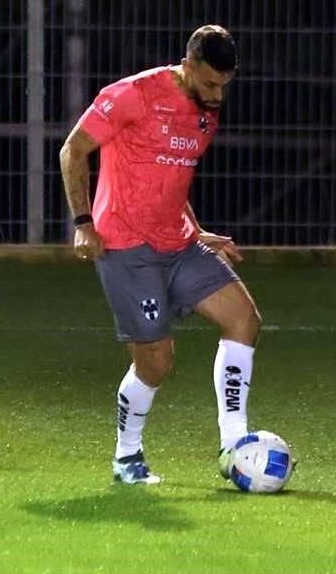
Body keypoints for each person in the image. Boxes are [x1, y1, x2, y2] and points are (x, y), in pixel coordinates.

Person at [58, 24, 260, 485]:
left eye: (224, 86)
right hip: (126, 246)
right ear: (187, 65)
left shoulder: (207, 110)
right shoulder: (132, 94)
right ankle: (127, 457)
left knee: (244, 320)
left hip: (179, 242)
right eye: (209, 83)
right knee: (156, 361)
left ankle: (234, 444)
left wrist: (197, 229)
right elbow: (74, 150)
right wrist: (82, 224)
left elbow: (171, 177)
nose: (216, 94)